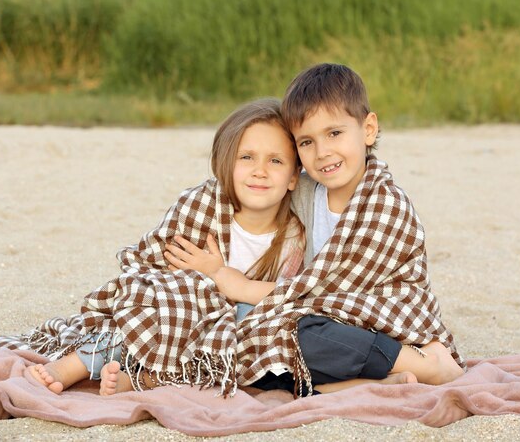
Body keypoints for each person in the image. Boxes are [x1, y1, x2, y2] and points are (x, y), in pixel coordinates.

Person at [25, 98, 306, 395]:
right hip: (180, 312)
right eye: (246, 157)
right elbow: (160, 268)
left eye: (275, 161)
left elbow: (293, 294)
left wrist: (221, 276)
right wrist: (202, 284)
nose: (260, 170)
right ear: (227, 163)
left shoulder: (294, 237)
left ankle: (142, 380)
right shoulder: (202, 206)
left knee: (259, 328)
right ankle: (76, 364)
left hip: (234, 331)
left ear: (292, 177)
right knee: (162, 305)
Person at [265, 63, 466, 393]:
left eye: (334, 133)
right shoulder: (304, 193)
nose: (322, 152)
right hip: (330, 322)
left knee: (303, 334)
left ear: (368, 129)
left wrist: (246, 290)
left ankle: (427, 367)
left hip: (386, 330)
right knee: (256, 340)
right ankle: (371, 384)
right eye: (306, 142)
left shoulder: (386, 204)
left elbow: (334, 292)